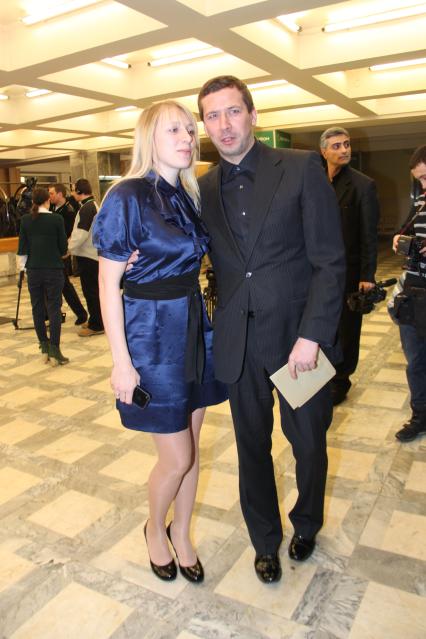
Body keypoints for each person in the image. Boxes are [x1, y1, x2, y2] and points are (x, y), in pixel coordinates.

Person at [197, 76, 346, 583]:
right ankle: (264, 540)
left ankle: (307, 523)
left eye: (232, 111)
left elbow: (329, 260)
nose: (224, 124)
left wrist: (313, 334)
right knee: (251, 448)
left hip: (297, 341)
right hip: (239, 343)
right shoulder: (204, 188)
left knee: (309, 444)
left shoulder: (301, 167)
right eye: (212, 116)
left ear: (253, 116)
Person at [92, 101, 227, 583]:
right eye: (175, 130)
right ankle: (154, 528)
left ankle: (182, 533)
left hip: (193, 326)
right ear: (149, 137)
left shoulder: (187, 195)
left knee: (193, 447)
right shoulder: (127, 195)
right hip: (151, 336)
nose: (188, 138)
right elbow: (107, 286)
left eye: (190, 130)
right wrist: (121, 362)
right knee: (176, 457)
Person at [320, 127, 380, 405]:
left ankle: (341, 379)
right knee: (322, 323)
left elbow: (369, 234)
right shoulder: (315, 180)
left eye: (346, 144)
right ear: (324, 151)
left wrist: (368, 275)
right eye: (336, 146)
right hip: (317, 271)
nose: (344, 150)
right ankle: (321, 374)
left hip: (349, 272)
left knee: (346, 327)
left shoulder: (362, 185)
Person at [392, 145, 426, 442]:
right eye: (419, 180)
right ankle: (420, 415)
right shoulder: (421, 204)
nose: (423, 185)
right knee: (415, 360)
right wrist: (400, 239)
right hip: (414, 293)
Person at [17, 187, 69, 366]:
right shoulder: (56, 219)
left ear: (33, 202)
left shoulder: (25, 220)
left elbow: (22, 248)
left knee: (37, 308)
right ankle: (55, 350)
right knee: (54, 309)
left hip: (33, 270)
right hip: (53, 269)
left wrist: (22, 269)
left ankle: (44, 347)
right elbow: (63, 247)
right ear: (47, 201)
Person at [68, 178, 103, 336]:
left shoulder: (87, 208)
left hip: (89, 257)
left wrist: (68, 248)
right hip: (92, 255)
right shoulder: (90, 205)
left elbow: (81, 233)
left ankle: (97, 325)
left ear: (79, 191)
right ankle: (97, 319)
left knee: (91, 292)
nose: (72, 193)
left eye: (73, 189)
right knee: (93, 291)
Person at [48, 183, 87, 325]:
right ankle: (54, 314)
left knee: (64, 284)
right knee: (53, 284)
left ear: (60, 194)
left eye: (52, 193)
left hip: (62, 252)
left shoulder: (69, 211)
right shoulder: (51, 208)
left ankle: (81, 313)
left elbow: (72, 233)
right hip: (51, 251)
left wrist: (67, 249)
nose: (49, 196)